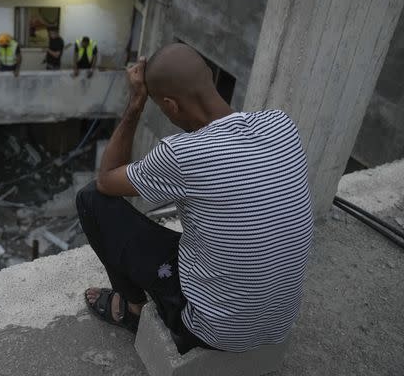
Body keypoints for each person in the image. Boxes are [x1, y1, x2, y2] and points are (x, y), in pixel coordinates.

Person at [78, 43, 314, 354]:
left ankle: (132, 309)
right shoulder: (282, 125)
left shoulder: (183, 153)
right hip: (278, 322)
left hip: (214, 330)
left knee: (91, 200)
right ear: (210, 79)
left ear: (170, 105)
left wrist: (135, 103)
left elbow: (106, 180)